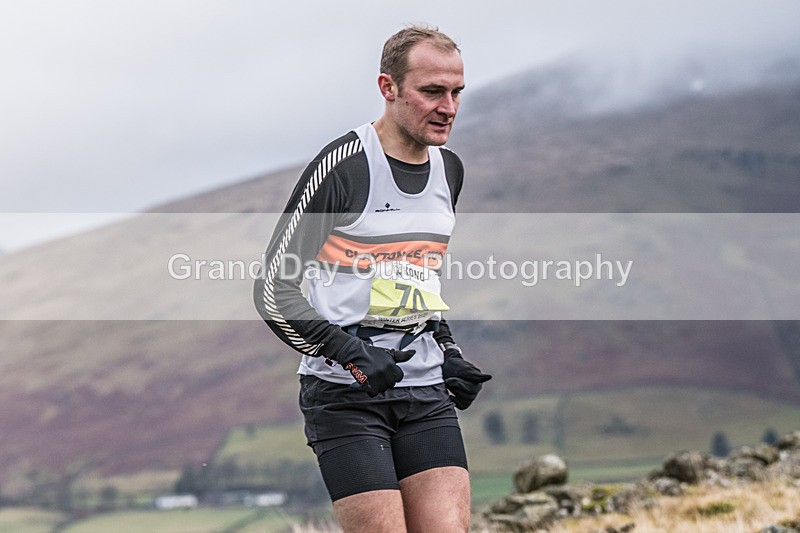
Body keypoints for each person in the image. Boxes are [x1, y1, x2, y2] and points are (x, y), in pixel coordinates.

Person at [253, 24, 491, 533]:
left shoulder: (449, 170)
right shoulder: (344, 167)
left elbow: (417, 278)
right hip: (344, 396)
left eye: (457, 92)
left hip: (423, 389)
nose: (448, 107)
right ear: (388, 87)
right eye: (432, 91)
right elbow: (274, 290)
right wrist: (351, 354)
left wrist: (448, 351)